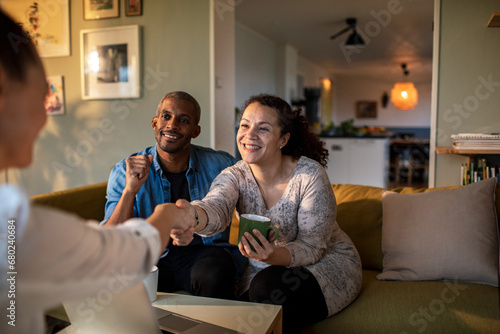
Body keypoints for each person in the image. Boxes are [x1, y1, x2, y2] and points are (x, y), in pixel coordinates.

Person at [0, 10, 194, 334]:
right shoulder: (11, 224)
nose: (45, 118)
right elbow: (120, 254)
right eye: (40, 93)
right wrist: (168, 215)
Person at [173, 94, 363, 332]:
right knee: (235, 318)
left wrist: (271, 256)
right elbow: (216, 206)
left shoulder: (309, 175)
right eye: (245, 125)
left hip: (325, 265)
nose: (249, 135)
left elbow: (313, 247)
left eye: (263, 128)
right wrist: (193, 215)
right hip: (267, 269)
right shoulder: (235, 175)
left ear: (283, 139)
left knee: (266, 288)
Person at [101, 91, 246, 299]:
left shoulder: (221, 165)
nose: (172, 125)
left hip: (204, 256)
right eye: (166, 116)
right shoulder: (124, 171)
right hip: (150, 258)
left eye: (183, 120)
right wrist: (130, 190)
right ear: (154, 123)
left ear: (195, 131)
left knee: (215, 270)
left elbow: (255, 195)